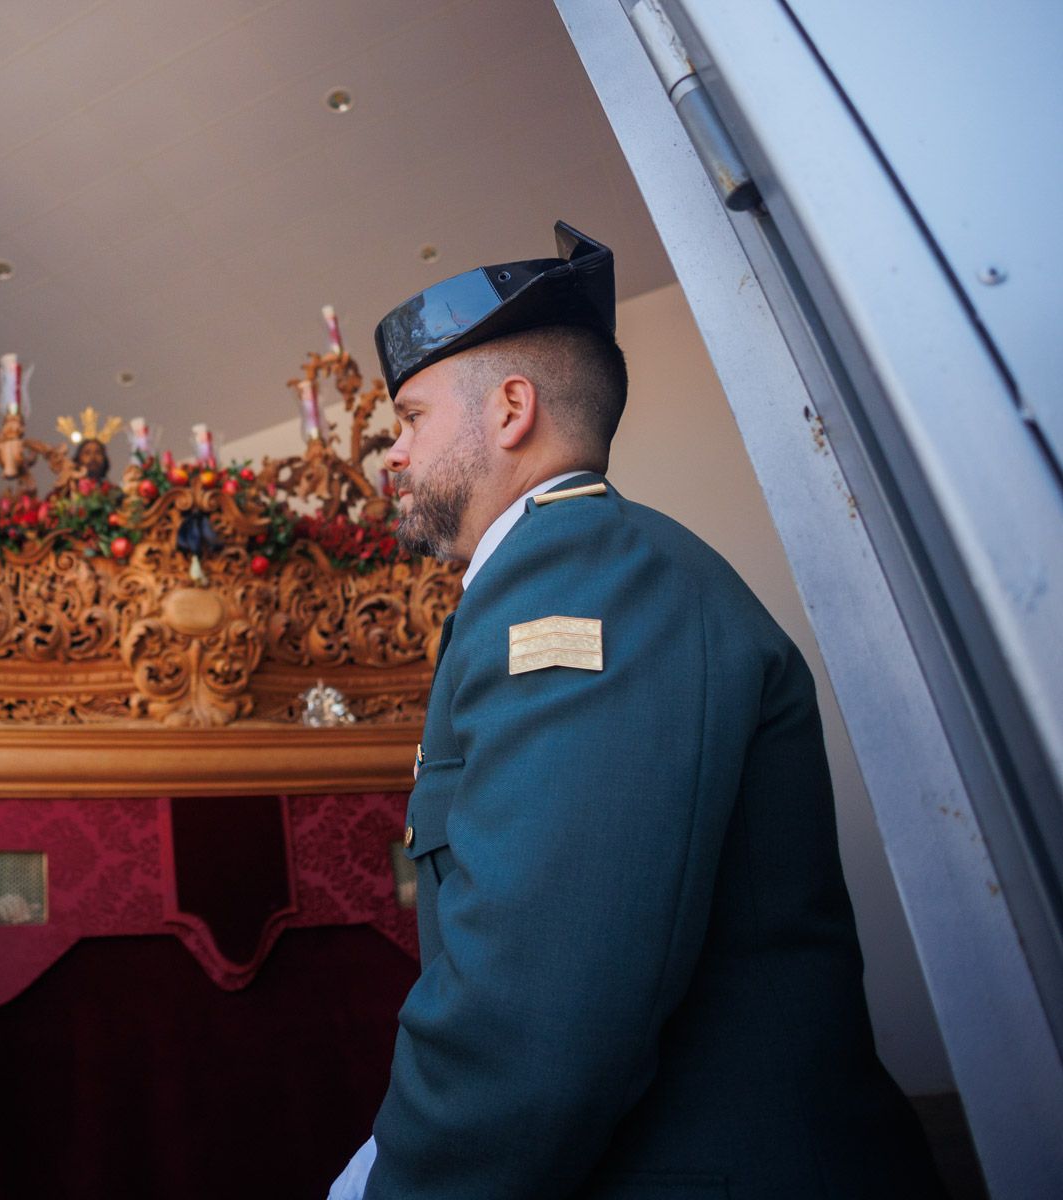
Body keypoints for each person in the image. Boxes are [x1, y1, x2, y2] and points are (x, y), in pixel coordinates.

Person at [333, 223, 943, 1198]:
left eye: (408, 418)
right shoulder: (567, 572)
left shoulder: (571, 576)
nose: (390, 454)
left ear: (511, 410)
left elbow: (533, 1016)